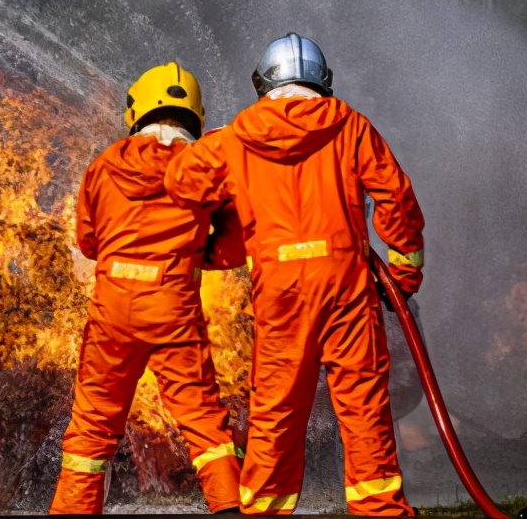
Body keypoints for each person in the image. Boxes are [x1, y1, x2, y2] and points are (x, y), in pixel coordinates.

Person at [164, 33, 424, 517]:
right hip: (346, 287)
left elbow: (179, 183)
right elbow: (396, 197)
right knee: (363, 406)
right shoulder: (350, 125)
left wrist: (220, 240)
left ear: (262, 84)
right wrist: (404, 275)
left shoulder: (236, 138)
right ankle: (381, 510)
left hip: (279, 293)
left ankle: (264, 510)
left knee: (276, 413)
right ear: (322, 82)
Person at [50, 62, 244, 515]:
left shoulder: (104, 164)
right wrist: (197, 255)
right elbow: (235, 243)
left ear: (137, 112)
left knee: (92, 427)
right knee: (203, 421)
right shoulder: (204, 166)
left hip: (113, 311)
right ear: (193, 115)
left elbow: (88, 241)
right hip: (173, 308)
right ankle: (231, 508)